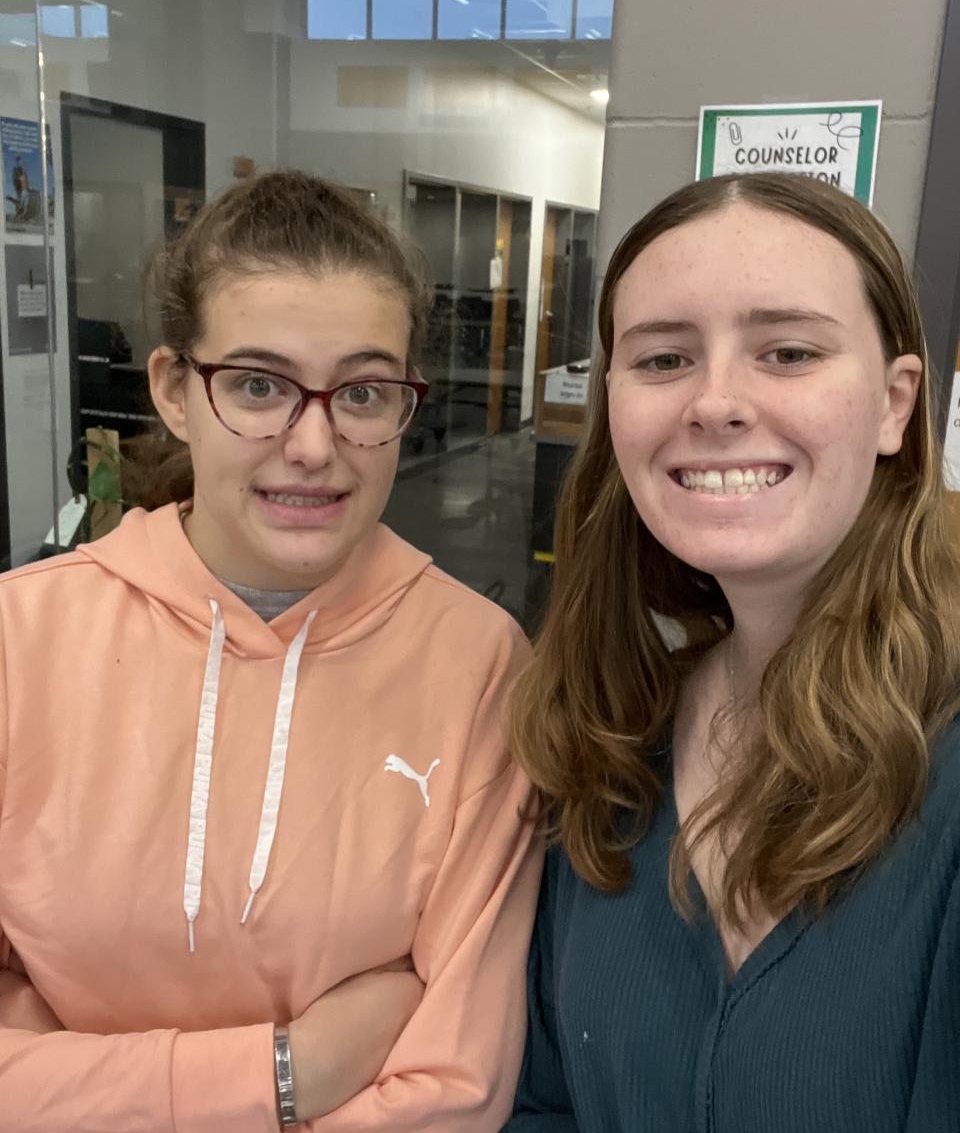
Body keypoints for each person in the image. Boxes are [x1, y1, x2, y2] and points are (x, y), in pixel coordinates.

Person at [0, 170, 542, 1130]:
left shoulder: (478, 666)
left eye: (362, 392)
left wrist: (76, 1084)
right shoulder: (21, 641)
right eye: (258, 386)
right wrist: (288, 1072)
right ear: (174, 391)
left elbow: (454, 1092)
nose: (313, 445)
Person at [505, 172, 960, 1132]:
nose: (714, 403)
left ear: (895, 404)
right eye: (664, 359)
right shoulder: (612, 733)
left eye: (788, 352)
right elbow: (543, 1099)